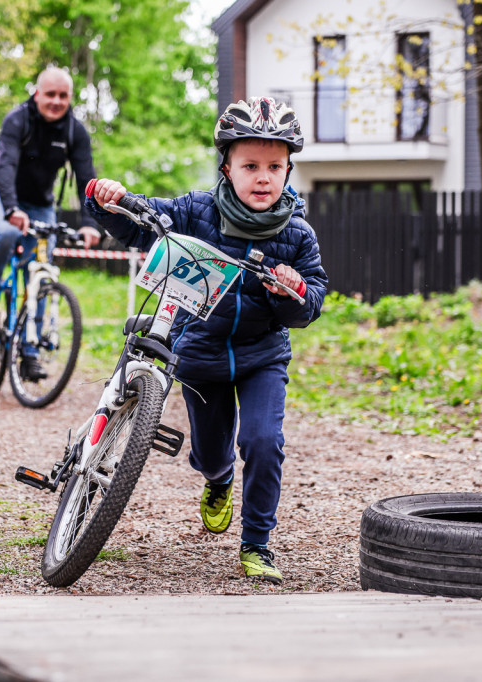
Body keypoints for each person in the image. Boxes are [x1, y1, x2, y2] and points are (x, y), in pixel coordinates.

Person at [86, 97, 328, 584]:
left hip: (263, 356)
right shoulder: (196, 212)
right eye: (251, 165)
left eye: (275, 167)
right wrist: (107, 199)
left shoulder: (298, 235)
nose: (263, 177)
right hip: (200, 354)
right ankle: (218, 481)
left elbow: (311, 302)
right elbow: (144, 225)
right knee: (213, 453)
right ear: (227, 166)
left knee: (264, 441)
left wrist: (294, 291)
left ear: (288, 170)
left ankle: (257, 543)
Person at [0, 66, 101, 381]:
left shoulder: (75, 132)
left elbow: (87, 178)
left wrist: (90, 222)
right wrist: (10, 208)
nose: (56, 101)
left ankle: (30, 352)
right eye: (50, 94)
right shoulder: (17, 120)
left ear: (70, 97)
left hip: (42, 204)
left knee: (42, 271)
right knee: (5, 232)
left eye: (63, 95)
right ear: (37, 93)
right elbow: (4, 165)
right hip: (0, 191)